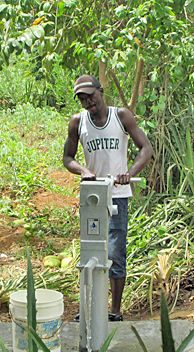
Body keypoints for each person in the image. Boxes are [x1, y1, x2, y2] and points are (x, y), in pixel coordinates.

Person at [63, 75, 153, 321]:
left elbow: (146, 148)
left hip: (117, 196)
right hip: (93, 198)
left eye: (90, 96)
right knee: (90, 251)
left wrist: (129, 173)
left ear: (101, 91)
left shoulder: (121, 116)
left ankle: (114, 311)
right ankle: (88, 308)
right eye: (82, 98)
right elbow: (67, 158)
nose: (87, 102)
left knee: (115, 252)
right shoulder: (77, 122)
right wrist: (83, 171)